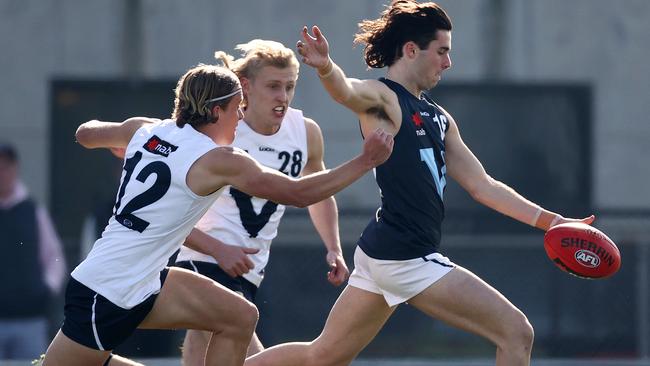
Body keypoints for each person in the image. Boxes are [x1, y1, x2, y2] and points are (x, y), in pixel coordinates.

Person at [245, 2, 595, 366]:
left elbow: (483, 186)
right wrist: (326, 68)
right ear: (411, 50)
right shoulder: (384, 98)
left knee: (324, 356)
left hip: (384, 251)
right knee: (516, 331)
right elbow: (346, 91)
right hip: (404, 255)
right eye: (442, 51)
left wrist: (553, 221)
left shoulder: (439, 117)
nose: (448, 63)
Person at [41, 64, 393, 366]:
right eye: (236, 108)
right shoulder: (219, 160)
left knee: (240, 315)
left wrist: (124, 144)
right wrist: (366, 160)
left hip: (143, 277)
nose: (240, 118)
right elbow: (298, 193)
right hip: (107, 290)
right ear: (214, 112)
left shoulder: (145, 129)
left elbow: (84, 133)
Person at [174, 39, 349, 364]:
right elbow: (170, 198)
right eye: (273, 86)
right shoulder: (220, 127)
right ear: (246, 86)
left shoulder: (305, 132)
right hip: (206, 259)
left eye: (289, 87)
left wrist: (333, 247)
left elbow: (317, 191)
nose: (282, 97)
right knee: (221, 336)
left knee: (210, 353)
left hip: (250, 268)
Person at [0, 143, 66, 361]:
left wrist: (46, 289)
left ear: (15, 168)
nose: (2, 173)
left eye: (6, 166)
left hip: (31, 320)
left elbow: (54, 256)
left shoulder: (33, 211)